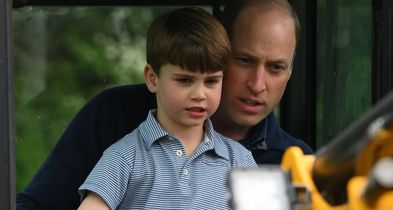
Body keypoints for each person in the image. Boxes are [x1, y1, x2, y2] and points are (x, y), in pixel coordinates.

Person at [16, 0, 313, 210]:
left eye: (276, 67)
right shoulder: (118, 128)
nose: (258, 83)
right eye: (245, 60)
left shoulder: (292, 163)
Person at [77, 7, 256, 210]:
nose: (199, 94)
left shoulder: (240, 160)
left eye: (211, 81)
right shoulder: (124, 157)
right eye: (185, 80)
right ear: (152, 79)